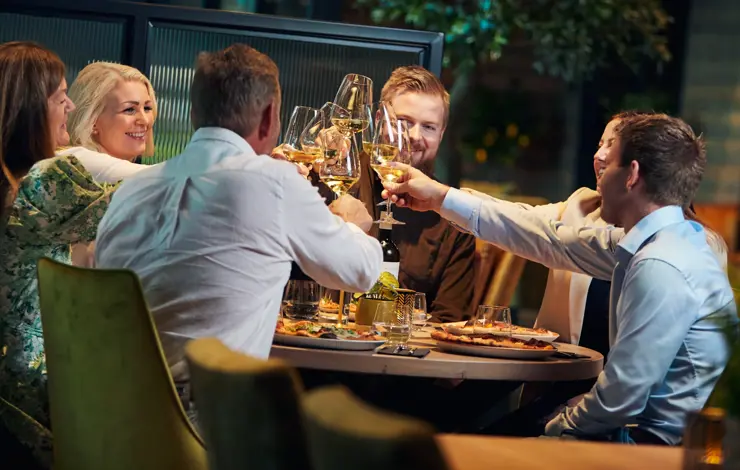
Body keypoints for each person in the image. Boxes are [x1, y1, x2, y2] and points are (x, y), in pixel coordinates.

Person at [382, 113, 737, 445]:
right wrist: (439, 197)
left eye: (609, 161)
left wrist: (558, 425)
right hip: (621, 426)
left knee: (456, 446)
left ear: (631, 175)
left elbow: (621, 401)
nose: (598, 169)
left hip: (644, 445)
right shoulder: (664, 240)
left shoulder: (661, 263)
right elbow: (550, 239)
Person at [95, 44, 383, 383]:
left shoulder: (130, 191)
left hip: (106, 415)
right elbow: (361, 272)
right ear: (268, 117)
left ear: (194, 114)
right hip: (204, 424)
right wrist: (352, 223)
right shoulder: (273, 182)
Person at [275, 66, 476, 323]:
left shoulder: (454, 221)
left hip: (400, 357)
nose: (414, 136)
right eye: (404, 122)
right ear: (379, 118)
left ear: (442, 133)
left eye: (428, 127)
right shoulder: (328, 180)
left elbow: (450, 321)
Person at [0, 41, 120, 468]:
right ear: (31, 109)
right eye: (59, 97)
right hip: (29, 398)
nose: (69, 106)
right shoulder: (38, 186)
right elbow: (140, 203)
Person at [62, 62, 160, 266]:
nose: (144, 120)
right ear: (93, 119)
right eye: (130, 110)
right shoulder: (76, 160)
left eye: (147, 107)